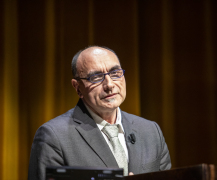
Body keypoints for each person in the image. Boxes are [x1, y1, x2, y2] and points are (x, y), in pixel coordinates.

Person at [28, 46, 171, 180]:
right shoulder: (54, 136)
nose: (109, 85)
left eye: (115, 73)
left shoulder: (151, 131)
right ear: (77, 88)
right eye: (96, 77)